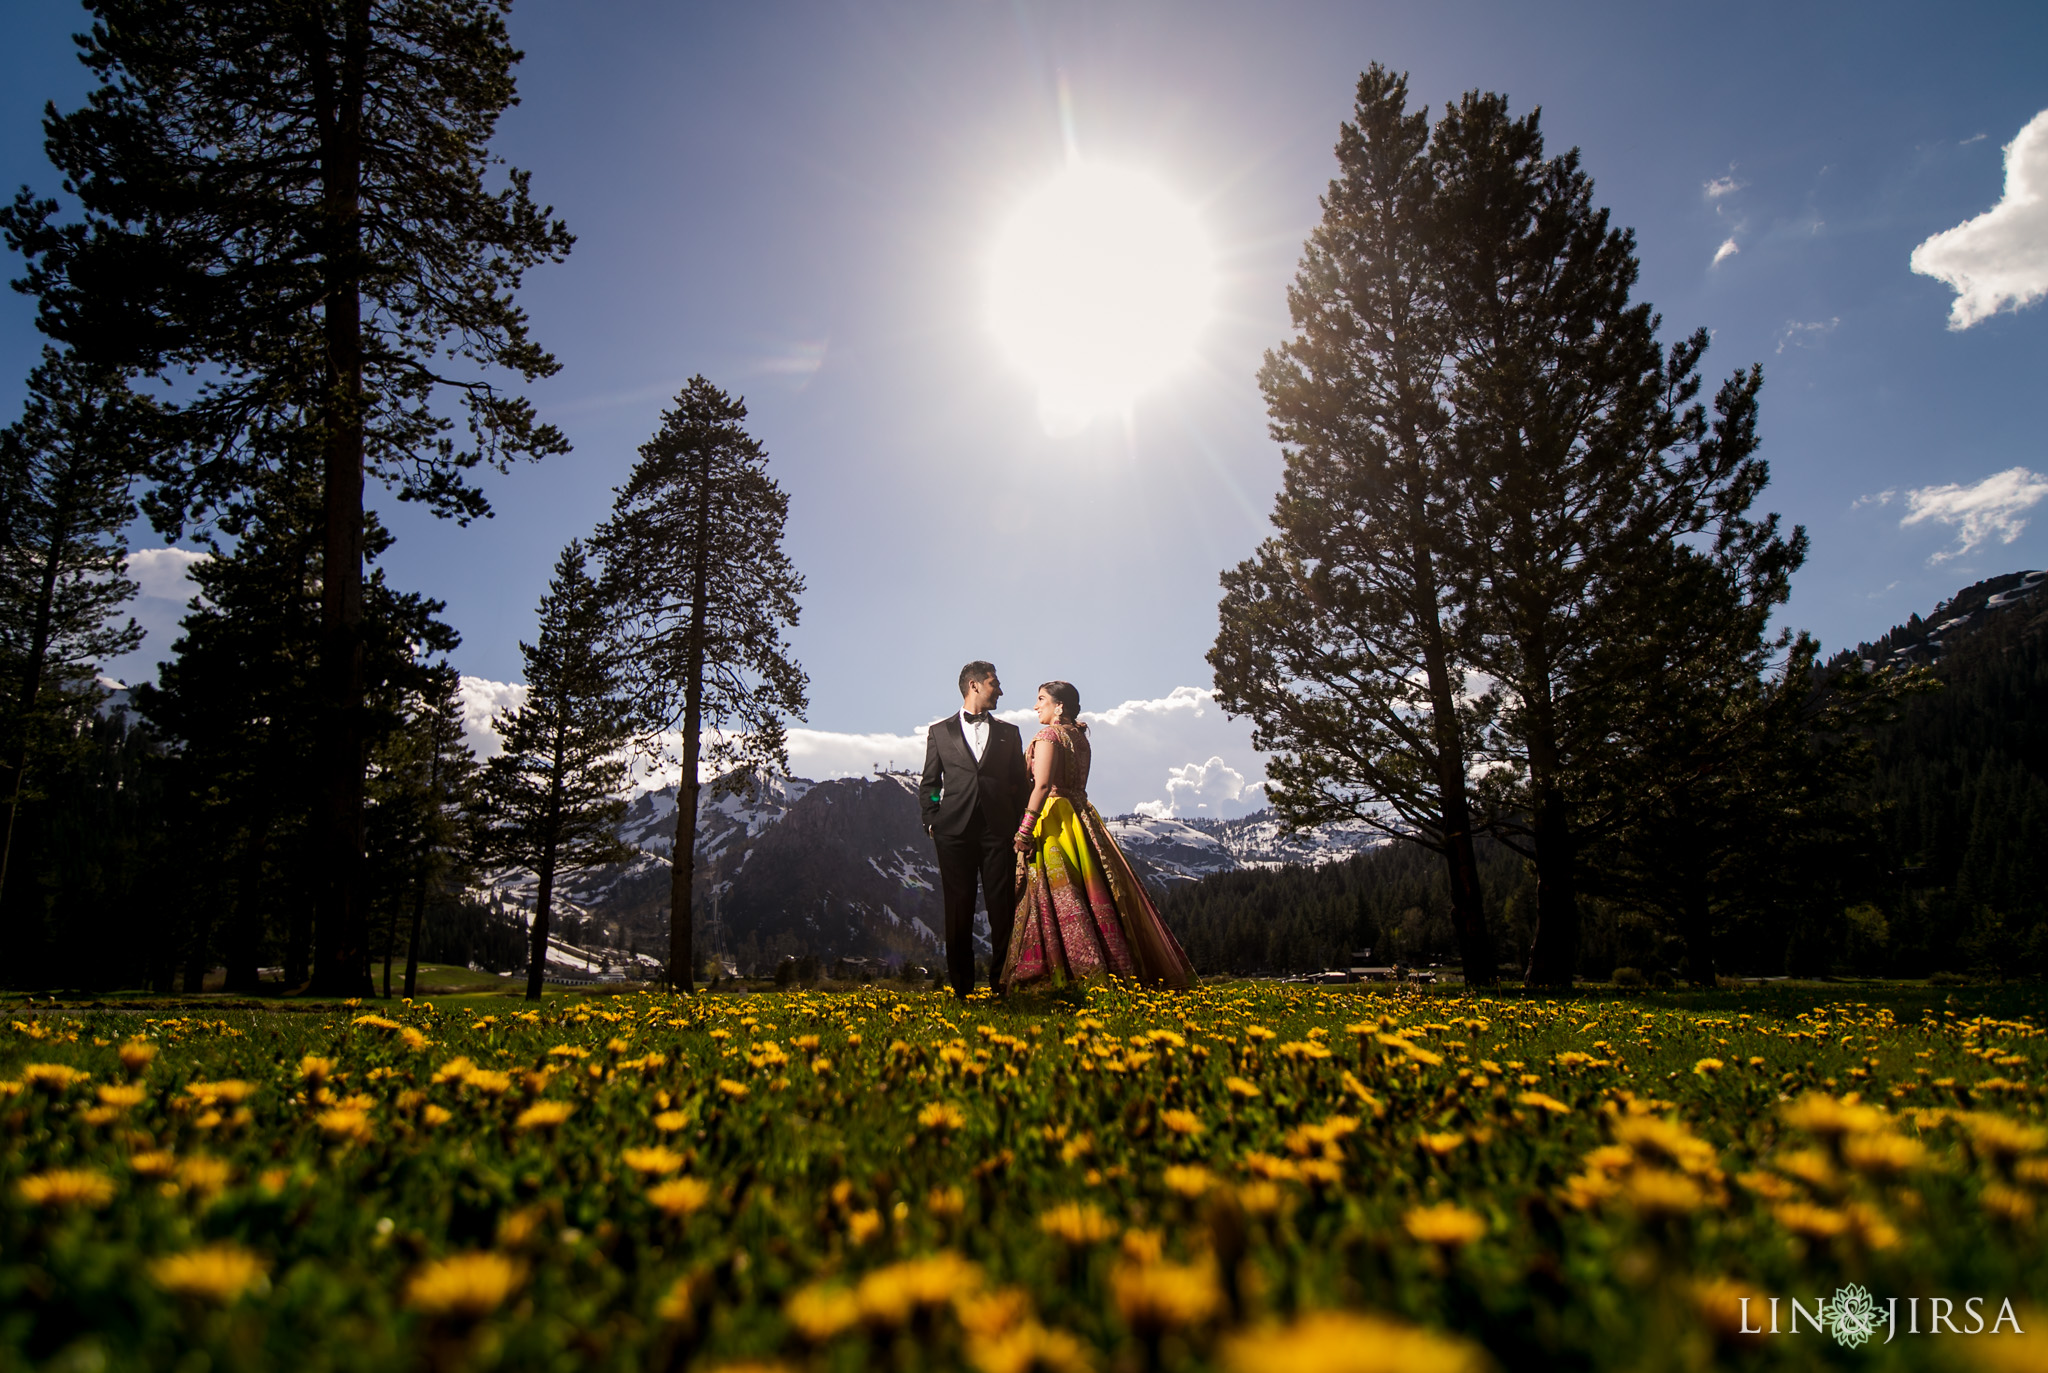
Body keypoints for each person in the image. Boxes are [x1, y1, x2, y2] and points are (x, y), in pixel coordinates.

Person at [1002, 681, 1195, 991]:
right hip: (1082, 817)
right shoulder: (1080, 739)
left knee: (1058, 897)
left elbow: (1041, 786)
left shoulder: (1048, 736)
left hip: (1056, 821)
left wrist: (1024, 830)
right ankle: (1117, 969)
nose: (1036, 706)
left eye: (1041, 700)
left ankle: (1068, 973)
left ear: (1059, 705)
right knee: (1094, 893)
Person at [919, 661, 1029, 999]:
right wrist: (932, 818)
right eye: (995, 683)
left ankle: (1002, 984)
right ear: (974, 685)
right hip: (953, 832)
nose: (1001, 690)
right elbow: (930, 783)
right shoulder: (939, 732)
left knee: (1003, 910)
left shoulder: (1009, 732)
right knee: (958, 909)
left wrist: (1021, 824)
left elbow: (1019, 784)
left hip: (999, 832)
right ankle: (961, 988)